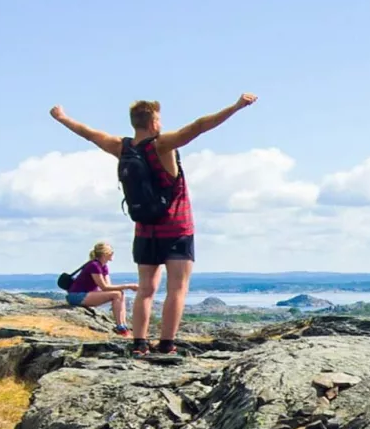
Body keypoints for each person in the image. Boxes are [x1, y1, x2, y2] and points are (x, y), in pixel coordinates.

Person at [49, 93, 257, 355]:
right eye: (158, 118)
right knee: (177, 288)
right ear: (153, 121)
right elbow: (200, 126)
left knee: (145, 289)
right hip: (177, 229)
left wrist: (62, 118)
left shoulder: (121, 147)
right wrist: (236, 106)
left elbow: (88, 133)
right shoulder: (162, 145)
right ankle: (167, 344)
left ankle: (139, 344)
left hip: (145, 230)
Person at [65, 241, 138, 335]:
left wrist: (127, 287)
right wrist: (129, 286)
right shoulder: (94, 265)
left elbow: (109, 286)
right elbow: (104, 287)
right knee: (117, 294)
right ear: (105, 254)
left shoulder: (103, 266)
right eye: (111, 252)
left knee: (119, 293)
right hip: (76, 296)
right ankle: (120, 327)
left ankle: (123, 325)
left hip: (85, 294)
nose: (112, 254)